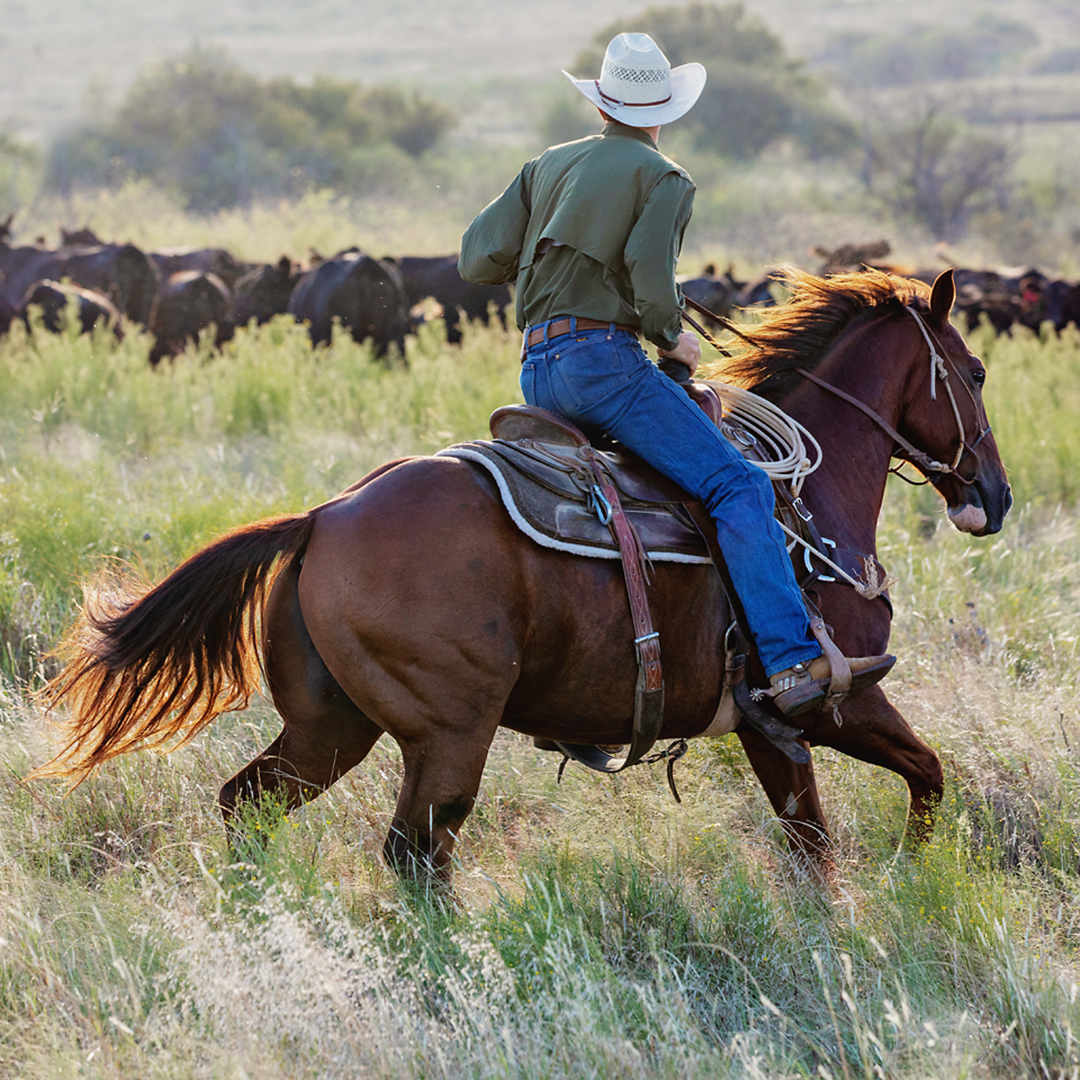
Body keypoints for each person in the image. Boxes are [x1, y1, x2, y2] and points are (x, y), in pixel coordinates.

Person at [459, 32, 893, 716]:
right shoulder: (663, 176)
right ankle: (789, 662)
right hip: (603, 367)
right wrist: (674, 340)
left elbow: (475, 259)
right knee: (738, 483)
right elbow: (654, 284)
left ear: (603, 103)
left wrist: (558, 262)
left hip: (536, 372)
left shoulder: (544, 165)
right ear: (661, 109)